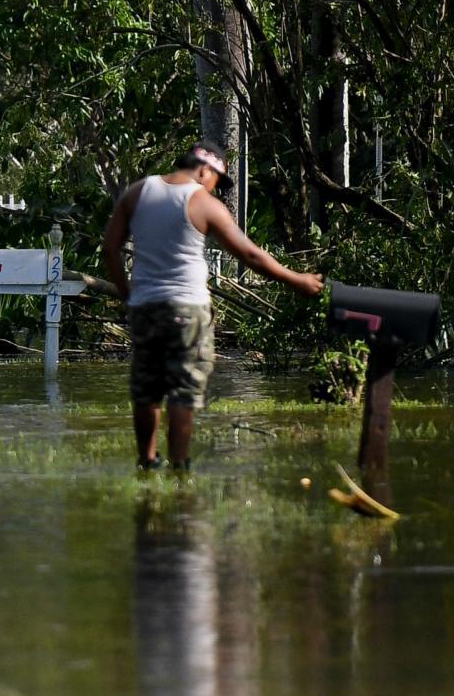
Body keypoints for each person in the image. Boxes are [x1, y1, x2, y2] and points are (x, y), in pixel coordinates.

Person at [100, 142, 324, 470]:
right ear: (204, 170)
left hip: (145, 307)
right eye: (217, 180)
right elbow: (249, 255)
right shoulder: (204, 203)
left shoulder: (137, 192)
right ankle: (180, 466)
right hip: (188, 309)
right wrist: (296, 280)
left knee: (147, 386)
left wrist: (128, 294)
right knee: (183, 389)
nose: (215, 187)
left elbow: (110, 249)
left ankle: (147, 460)